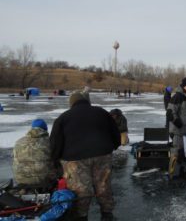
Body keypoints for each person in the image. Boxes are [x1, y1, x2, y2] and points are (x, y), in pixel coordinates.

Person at [50, 91, 120, 221]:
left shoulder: (63, 118)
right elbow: (116, 134)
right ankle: (107, 214)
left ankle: (81, 216)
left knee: (81, 190)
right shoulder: (102, 112)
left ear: (71, 103)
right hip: (102, 155)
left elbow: (55, 144)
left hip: (75, 159)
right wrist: (112, 147)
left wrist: (55, 161)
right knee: (103, 185)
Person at [166, 77, 186, 183]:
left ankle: (183, 172)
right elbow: (170, 112)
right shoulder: (178, 96)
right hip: (179, 132)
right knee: (177, 153)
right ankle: (173, 175)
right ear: (183, 86)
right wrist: (178, 123)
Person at [13, 119, 57, 186]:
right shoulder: (50, 142)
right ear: (45, 129)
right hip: (44, 179)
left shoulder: (19, 142)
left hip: (21, 179)